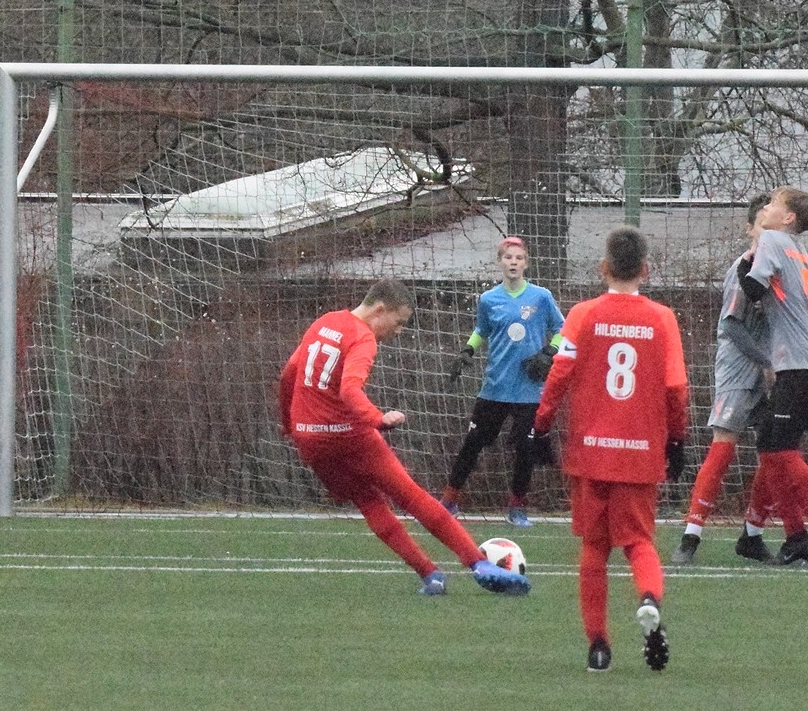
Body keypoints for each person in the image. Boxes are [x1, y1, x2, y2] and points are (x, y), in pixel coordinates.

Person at [277, 278, 530, 596]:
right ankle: (478, 563)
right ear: (379, 310)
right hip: (348, 435)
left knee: (369, 502)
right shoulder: (362, 337)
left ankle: (430, 575)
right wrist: (377, 419)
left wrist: (288, 423)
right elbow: (350, 389)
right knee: (412, 496)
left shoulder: (324, 322)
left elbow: (288, 374)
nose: (398, 331)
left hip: (309, 439)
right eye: (398, 322)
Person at [534, 226, 688, 672]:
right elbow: (676, 388)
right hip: (640, 449)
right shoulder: (662, 318)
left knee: (594, 548)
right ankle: (648, 598)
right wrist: (676, 438)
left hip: (590, 451)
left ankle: (598, 646)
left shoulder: (582, 314)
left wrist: (541, 425)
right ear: (646, 270)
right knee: (639, 542)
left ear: (603, 268)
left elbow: (559, 374)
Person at [671, 194, 807, 567]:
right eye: (762, 228)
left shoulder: (781, 265)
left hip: (773, 370)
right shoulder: (742, 269)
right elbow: (732, 326)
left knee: (776, 451)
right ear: (751, 230)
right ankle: (690, 536)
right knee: (723, 447)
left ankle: (752, 533)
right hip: (739, 369)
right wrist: (766, 362)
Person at [734, 188, 808, 567]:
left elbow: (754, 288)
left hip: (800, 362)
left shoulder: (772, 239)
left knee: (782, 450)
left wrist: (744, 262)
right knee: (770, 446)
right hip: (804, 359)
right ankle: (795, 536)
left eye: (773, 204)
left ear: (788, 218)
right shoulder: (796, 248)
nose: (765, 208)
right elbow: (796, 299)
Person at [440, 236, 566, 526]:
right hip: (495, 386)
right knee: (473, 443)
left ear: (526, 263)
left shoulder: (541, 297)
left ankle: (516, 508)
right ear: (499, 262)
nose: (513, 262)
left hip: (529, 389)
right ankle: (448, 502)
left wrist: (550, 352)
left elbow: (563, 328)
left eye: (519, 258)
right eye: (508, 257)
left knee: (525, 449)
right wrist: (467, 350)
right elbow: (481, 330)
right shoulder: (488, 299)